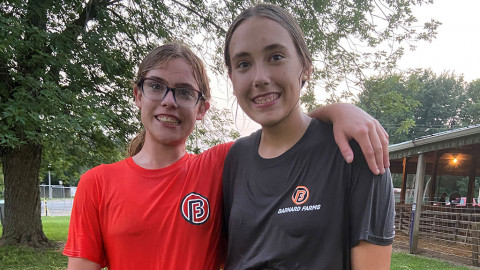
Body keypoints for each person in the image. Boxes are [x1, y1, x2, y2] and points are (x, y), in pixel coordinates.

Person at [63, 43, 389, 269]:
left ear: (202, 108)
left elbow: (286, 130)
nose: (169, 101)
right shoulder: (98, 183)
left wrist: (337, 110)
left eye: (185, 92)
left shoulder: (223, 163)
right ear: (138, 94)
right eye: (156, 86)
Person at [222, 4, 395, 269]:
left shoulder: (355, 151)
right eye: (243, 64)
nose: (260, 78)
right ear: (232, 79)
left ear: (305, 67)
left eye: (276, 57)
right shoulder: (236, 158)